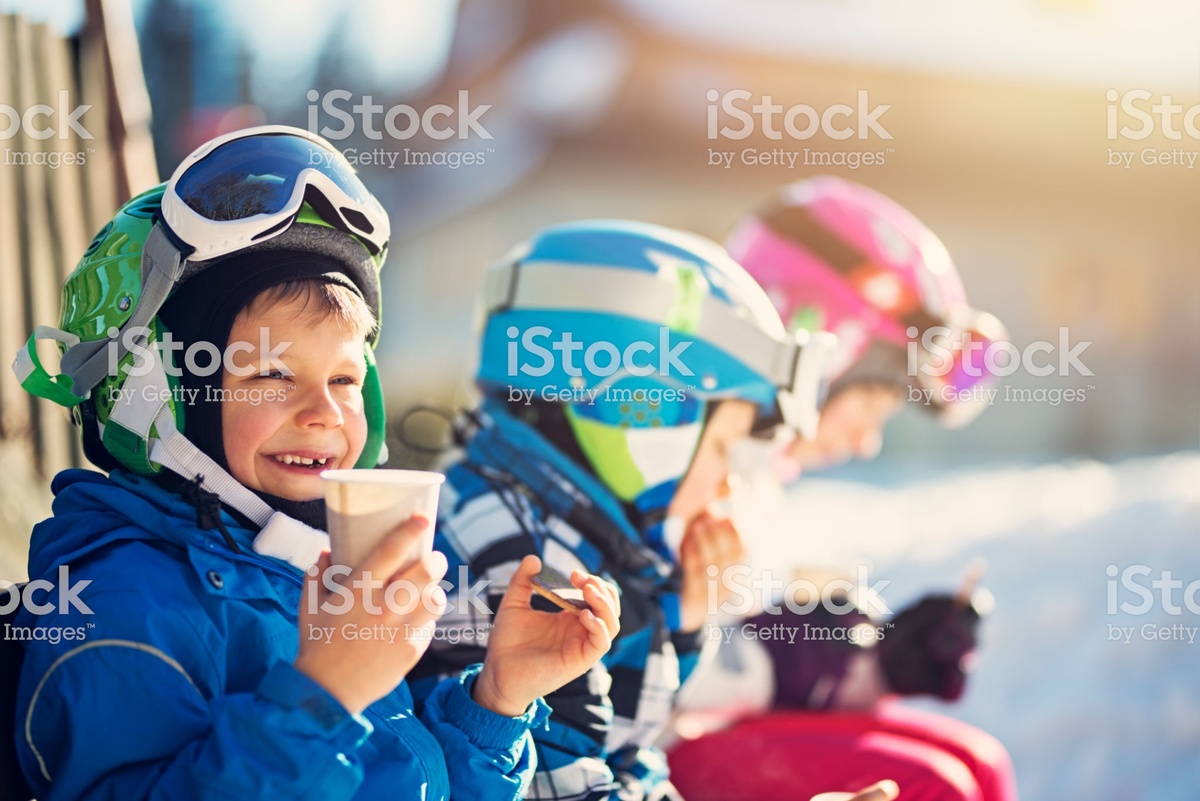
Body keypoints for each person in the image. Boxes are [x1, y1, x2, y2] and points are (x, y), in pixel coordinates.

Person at [9, 126, 619, 801]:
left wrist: (498, 700)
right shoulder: (125, 610)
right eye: (272, 373)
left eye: (346, 380)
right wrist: (324, 694)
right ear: (156, 392)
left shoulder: (304, 566)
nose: (323, 412)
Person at [406, 219, 850, 800]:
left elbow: (617, 748)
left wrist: (684, 624)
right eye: (720, 450)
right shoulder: (529, 567)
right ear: (642, 421)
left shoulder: (556, 527)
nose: (724, 486)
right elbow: (578, 783)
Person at [666, 176, 1018, 801]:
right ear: (821, 348)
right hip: (641, 757)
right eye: (874, 405)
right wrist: (797, 657)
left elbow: (746, 641)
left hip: (692, 737)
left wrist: (879, 657)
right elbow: (657, 667)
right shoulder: (685, 467)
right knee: (934, 787)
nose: (867, 443)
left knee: (979, 764)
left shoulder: (750, 477)